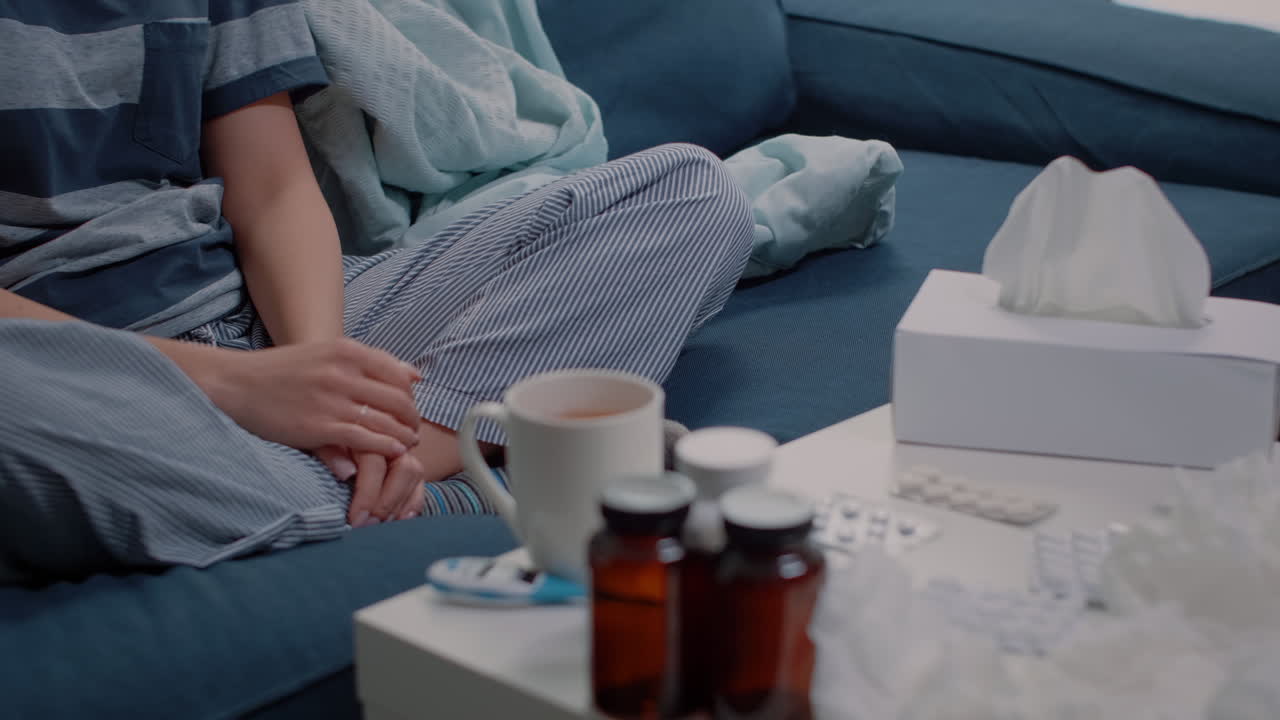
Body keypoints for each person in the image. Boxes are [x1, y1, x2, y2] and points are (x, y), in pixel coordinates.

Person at [0, 1, 752, 582]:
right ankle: (473, 484)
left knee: (687, 192)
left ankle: (396, 476)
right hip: (69, 369)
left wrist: (324, 380)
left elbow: (273, 192)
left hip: (244, 312)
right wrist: (238, 386)